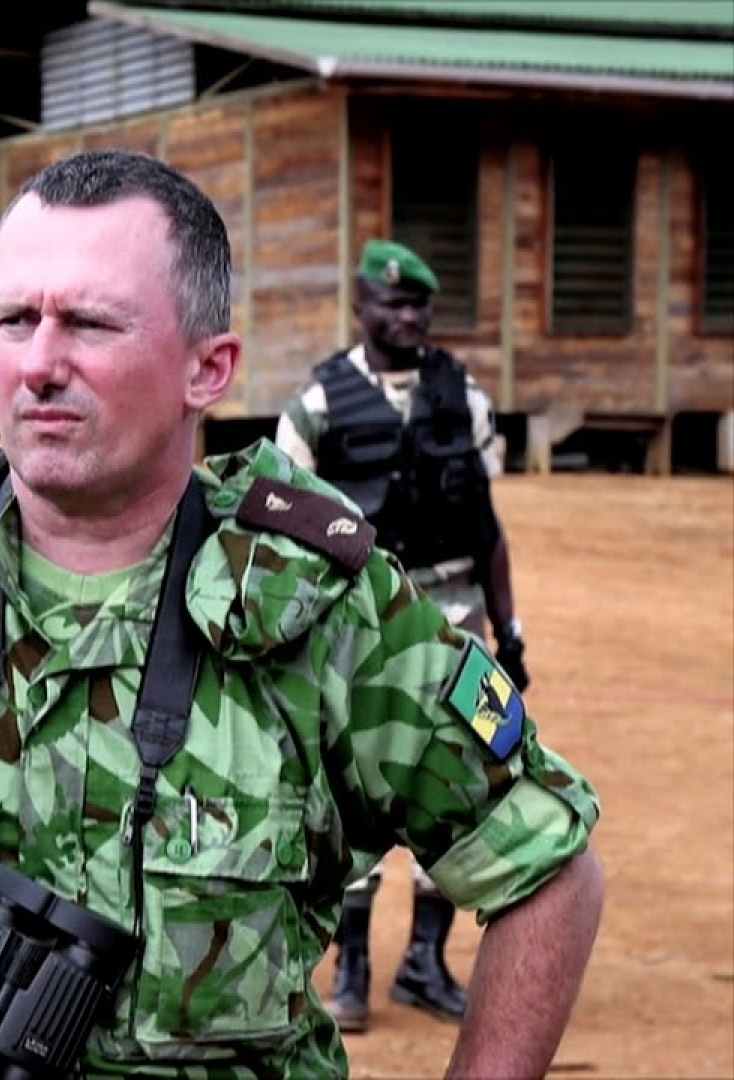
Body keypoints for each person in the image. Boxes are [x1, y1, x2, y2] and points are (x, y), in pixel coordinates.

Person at [0, 150, 601, 1078]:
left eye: (90, 323)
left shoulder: (323, 607)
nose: (40, 364)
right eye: (15, 319)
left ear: (208, 370)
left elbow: (548, 873)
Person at [275, 238, 530, 1033]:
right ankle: (349, 969)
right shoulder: (316, 406)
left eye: (421, 304)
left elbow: (489, 529)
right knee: (351, 791)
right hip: (355, 621)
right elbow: (291, 533)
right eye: (395, 303)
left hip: (457, 620)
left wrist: (509, 634)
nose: (410, 316)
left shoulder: (468, 398)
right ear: (362, 307)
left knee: (458, 779)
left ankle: (425, 963)